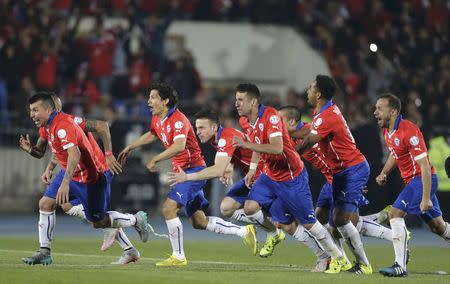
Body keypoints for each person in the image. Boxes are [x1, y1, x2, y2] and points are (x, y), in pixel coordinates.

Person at [168, 108, 333, 271]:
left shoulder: (226, 137)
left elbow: (218, 168)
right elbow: (237, 153)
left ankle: (322, 255)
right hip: (252, 178)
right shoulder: (219, 138)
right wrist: (230, 166)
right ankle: (273, 232)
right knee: (226, 207)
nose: (198, 132)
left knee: (285, 224)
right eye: (196, 128)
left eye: (201, 128)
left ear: (214, 127)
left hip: (268, 177)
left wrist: (187, 177)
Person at [118, 83, 256, 267]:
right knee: (199, 221)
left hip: (193, 170)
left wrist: (155, 159)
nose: (149, 101)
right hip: (183, 172)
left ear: (165, 100)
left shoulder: (178, 120)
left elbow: (179, 145)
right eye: (149, 97)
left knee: (168, 209)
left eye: (153, 97)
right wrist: (131, 146)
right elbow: (153, 134)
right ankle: (244, 232)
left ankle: (178, 256)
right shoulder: (157, 119)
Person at [231, 83, 349, 274]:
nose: (236, 104)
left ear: (253, 102)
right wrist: (252, 169)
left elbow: (277, 148)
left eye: (240, 100)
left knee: (310, 222)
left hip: (291, 177)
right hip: (270, 176)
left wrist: (246, 144)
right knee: (251, 208)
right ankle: (274, 234)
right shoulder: (245, 121)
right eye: (236, 99)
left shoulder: (271, 116)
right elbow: (257, 145)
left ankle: (338, 257)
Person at [22, 92, 150, 266]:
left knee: (99, 221)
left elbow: (76, 151)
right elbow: (52, 150)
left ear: (50, 109)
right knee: (47, 204)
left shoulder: (65, 124)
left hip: (90, 176)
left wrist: (108, 154)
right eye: (31, 110)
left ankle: (136, 220)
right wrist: (36, 155)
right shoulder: (46, 126)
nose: (32, 115)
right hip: (71, 172)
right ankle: (44, 251)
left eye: (35, 110)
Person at [279, 106, 394, 255]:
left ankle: (395, 235)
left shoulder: (313, 130)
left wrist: (354, 179)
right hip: (330, 179)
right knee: (322, 219)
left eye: (279, 121)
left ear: (291, 122)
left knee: (347, 224)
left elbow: (341, 147)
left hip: (342, 176)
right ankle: (340, 258)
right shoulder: (290, 138)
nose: (276, 125)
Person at [296, 76, 372, 274]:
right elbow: (310, 132)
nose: (308, 90)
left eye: (311, 87)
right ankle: (340, 260)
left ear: (319, 94)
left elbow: (310, 140)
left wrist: (290, 154)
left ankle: (363, 264)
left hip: (351, 170)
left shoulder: (326, 115)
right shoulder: (323, 111)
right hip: (339, 172)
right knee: (321, 216)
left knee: (340, 220)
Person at [374, 93, 450, 277]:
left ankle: (399, 265)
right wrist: (384, 172)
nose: (375, 112)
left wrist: (425, 198)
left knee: (394, 214)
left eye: (379, 109)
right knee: (438, 227)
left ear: (393, 111)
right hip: (414, 182)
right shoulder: (388, 131)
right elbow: (395, 153)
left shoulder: (409, 130)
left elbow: (424, 165)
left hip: (422, 180)